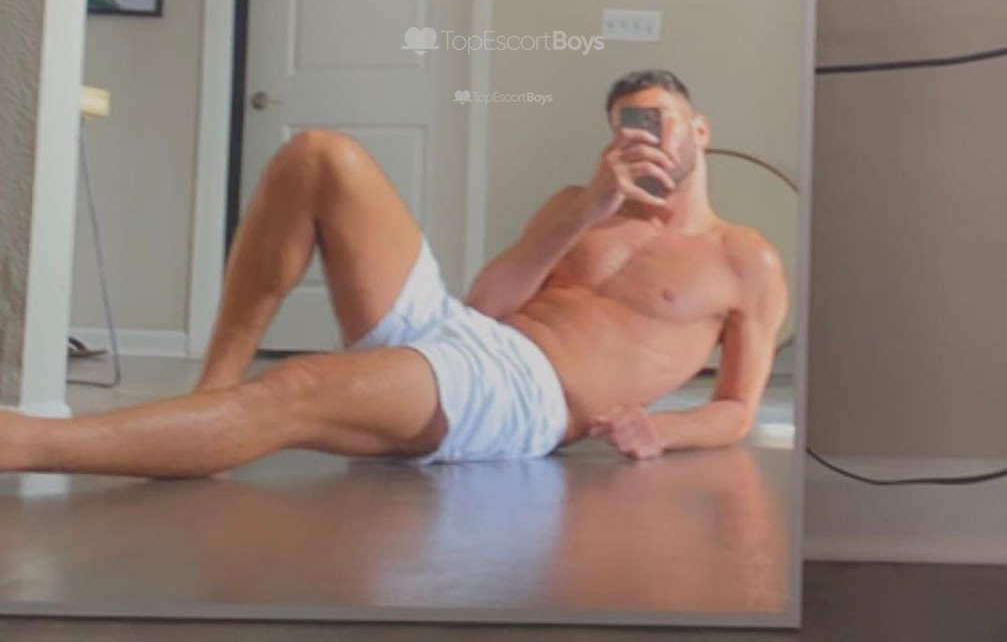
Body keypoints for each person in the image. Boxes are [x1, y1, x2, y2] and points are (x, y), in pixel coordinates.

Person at [0, 69, 787, 477]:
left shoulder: (741, 257)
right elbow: (487, 302)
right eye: (627, 126)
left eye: (659, 121)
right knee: (318, 155)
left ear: (699, 129)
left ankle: (25, 443)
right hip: (465, 333)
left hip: (523, 397)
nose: (644, 137)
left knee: (298, 388)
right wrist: (585, 209)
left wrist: (661, 429)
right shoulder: (579, 205)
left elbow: (735, 409)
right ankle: (210, 395)